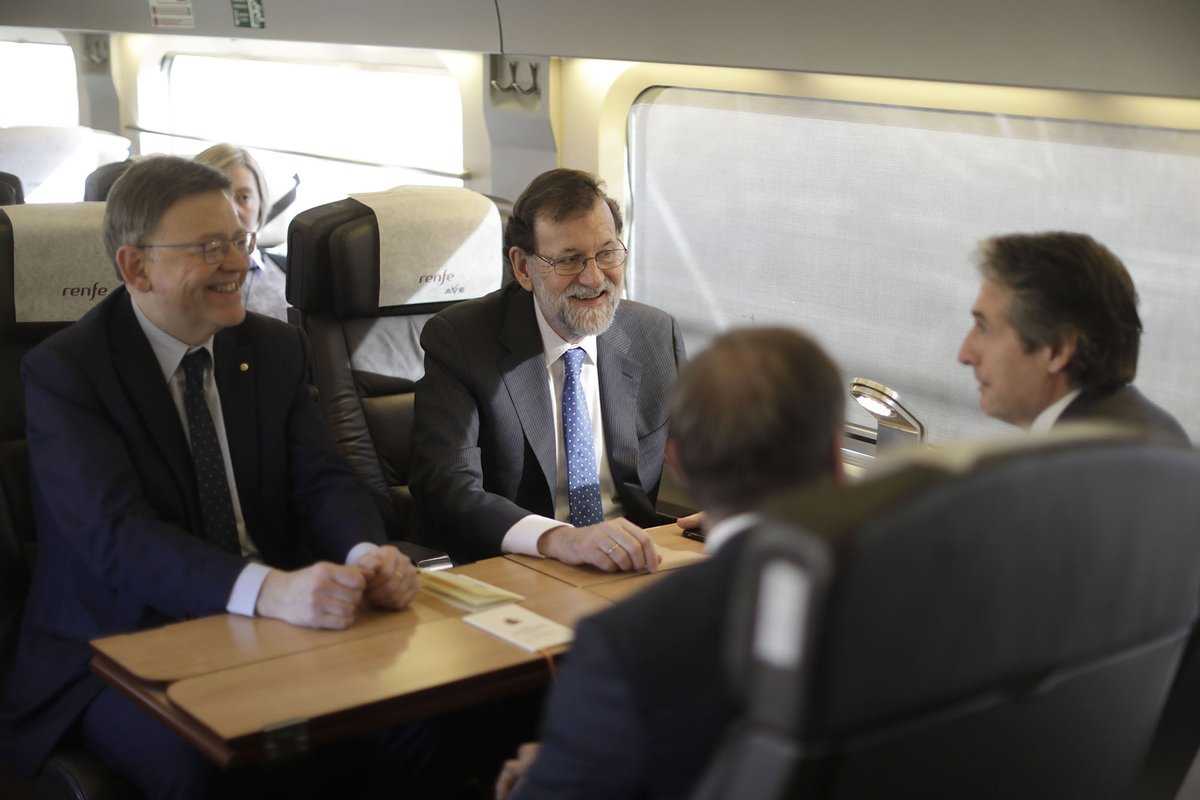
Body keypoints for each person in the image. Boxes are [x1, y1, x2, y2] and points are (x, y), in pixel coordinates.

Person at [1, 156, 421, 799]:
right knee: (216, 762)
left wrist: (365, 552)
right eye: (209, 247)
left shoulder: (272, 347)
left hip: (267, 622)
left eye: (239, 240)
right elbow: (118, 537)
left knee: (413, 720)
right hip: (117, 643)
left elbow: (324, 482)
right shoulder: (68, 373)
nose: (237, 262)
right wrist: (269, 591)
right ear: (136, 268)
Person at [495, 326, 846, 800]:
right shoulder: (914, 589)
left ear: (676, 461)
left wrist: (544, 773)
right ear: (836, 454)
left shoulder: (623, 649)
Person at [411, 168, 686, 568]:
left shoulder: (654, 334)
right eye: (570, 261)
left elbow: (702, 453)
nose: (594, 278)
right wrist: (560, 539)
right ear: (523, 268)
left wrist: (730, 507)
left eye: (607, 253)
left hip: (629, 563)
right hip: (519, 563)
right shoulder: (462, 341)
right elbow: (448, 487)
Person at [958, 231, 1188, 444]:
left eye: (983, 326)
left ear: (1057, 351)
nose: (964, 355)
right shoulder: (1159, 435)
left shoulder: (1062, 469)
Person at [194, 143, 290, 322]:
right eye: (218, 197)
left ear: (261, 204)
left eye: (243, 197)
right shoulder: (183, 277)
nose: (232, 210)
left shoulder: (291, 273)